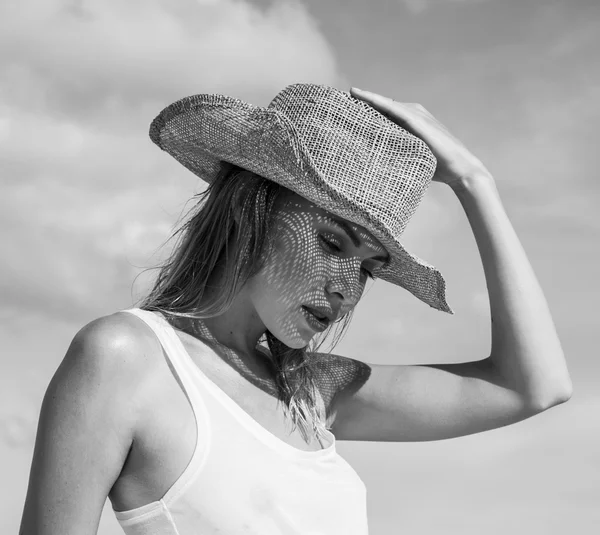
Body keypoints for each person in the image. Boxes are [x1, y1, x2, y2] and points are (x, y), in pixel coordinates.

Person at [19, 84, 572, 535]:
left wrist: (477, 184)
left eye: (368, 266)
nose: (345, 289)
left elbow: (534, 387)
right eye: (332, 243)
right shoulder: (125, 358)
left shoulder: (309, 394)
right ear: (249, 209)